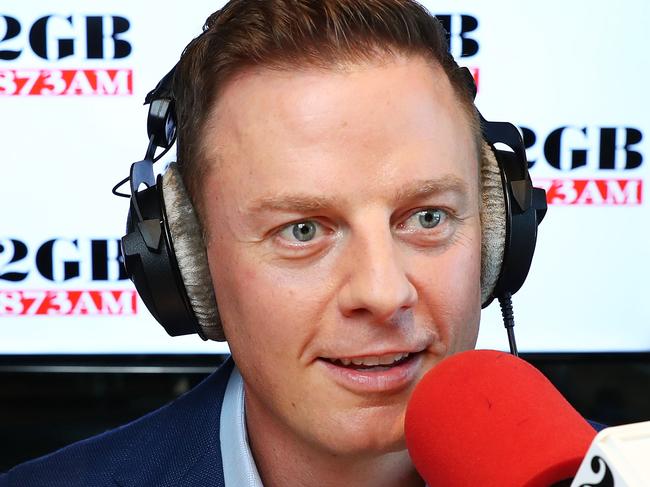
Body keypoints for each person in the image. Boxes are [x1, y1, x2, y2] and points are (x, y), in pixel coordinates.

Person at [1, 1, 538, 485]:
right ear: (192, 261)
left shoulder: (616, 470)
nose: (383, 292)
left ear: (496, 232)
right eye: (302, 230)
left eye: (427, 217)